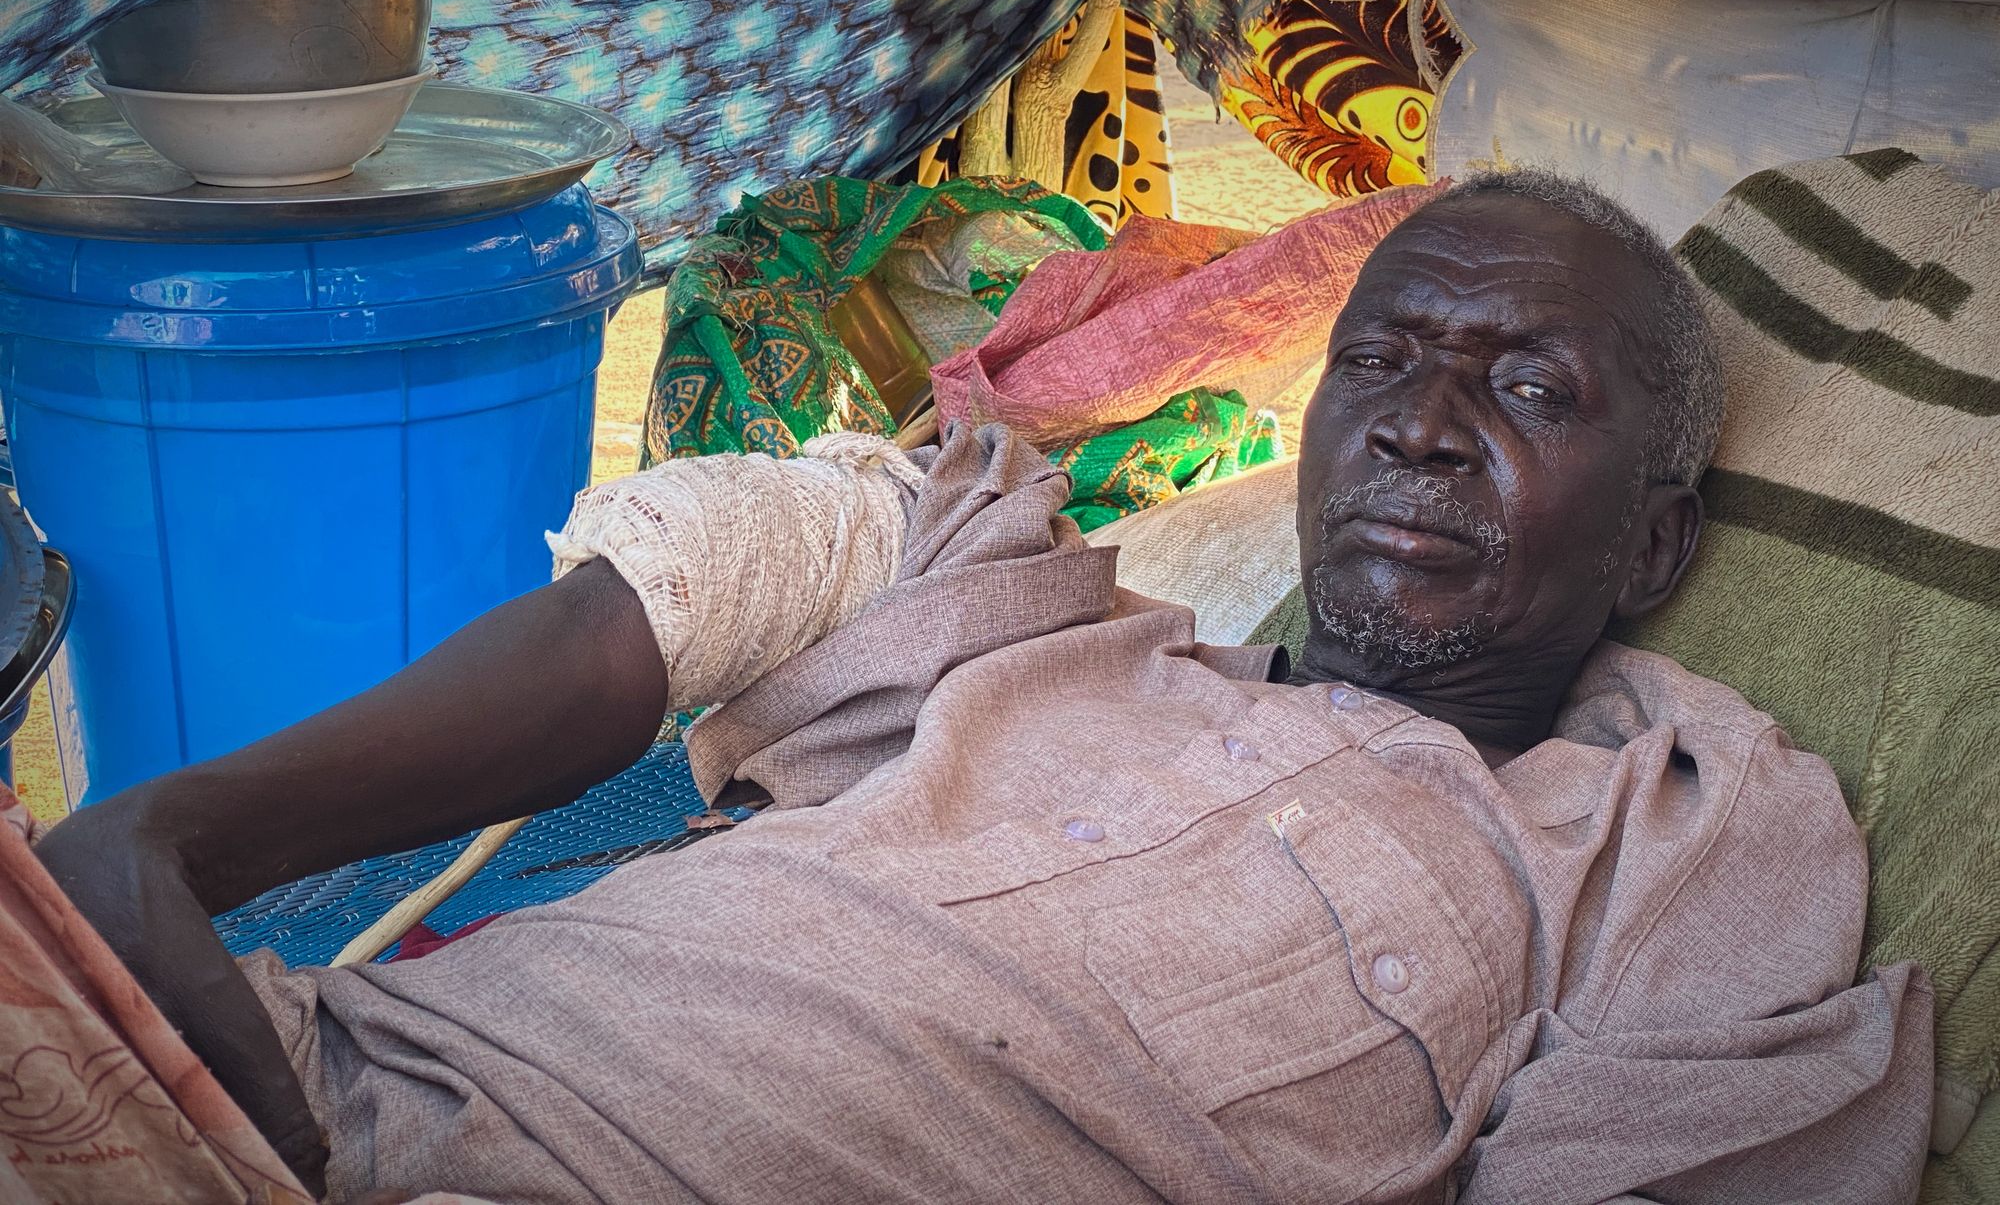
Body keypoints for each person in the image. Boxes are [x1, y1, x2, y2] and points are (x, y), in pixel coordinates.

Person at [34, 170, 1934, 1204]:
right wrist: (172, 839)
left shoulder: (1662, 823)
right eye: (1386, 364)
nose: (1423, 427)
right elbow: (732, 563)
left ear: (1660, 544)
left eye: (1527, 389)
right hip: (290, 1085)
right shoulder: (1054, 623)